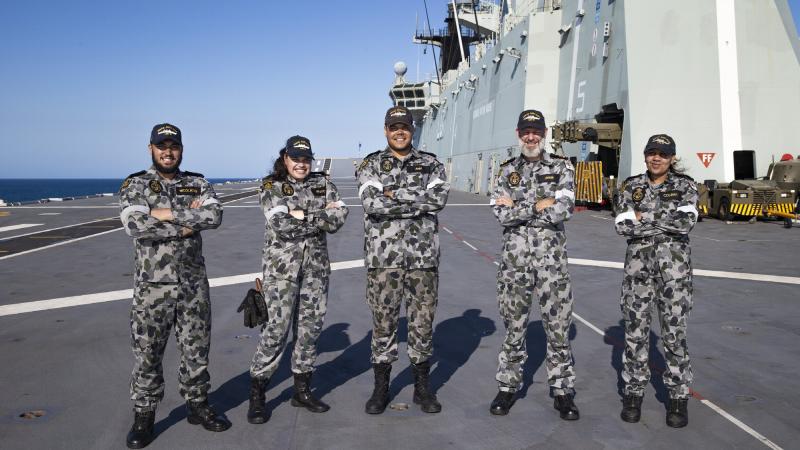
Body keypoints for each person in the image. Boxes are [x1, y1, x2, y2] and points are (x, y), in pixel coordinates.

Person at [119, 123, 229, 449]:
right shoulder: (136, 183)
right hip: (152, 287)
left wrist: (163, 213)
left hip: (193, 283)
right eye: (162, 145)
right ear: (151, 148)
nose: (168, 151)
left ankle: (197, 405)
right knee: (148, 354)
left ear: (181, 149)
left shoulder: (196, 182)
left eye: (174, 146)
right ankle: (144, 416)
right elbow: (136, 224)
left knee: (197, 350)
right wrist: (183, 225)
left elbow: (214, 215)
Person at [244, 135, 349, 424]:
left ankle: (301, 391)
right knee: (275, 333)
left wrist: (300, 214)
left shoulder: (323, 183)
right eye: (295, 158)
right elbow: (280, 224)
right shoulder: (270, 186)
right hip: (281, 274)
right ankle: (257, 395)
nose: (301, 164)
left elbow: (340, 217)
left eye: (305, 159)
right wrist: (319, 216)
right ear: (285, 159)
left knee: (309, 332)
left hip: (315, 272)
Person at [356, 105, 450, 414]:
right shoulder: (370, 165)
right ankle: (381, 388)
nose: (400, 131)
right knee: (383, 325)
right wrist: (416, 201)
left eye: (405, 126)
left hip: (423, 260)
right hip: (384, 261)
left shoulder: (431, 165)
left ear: (412, 130)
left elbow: (437, 201)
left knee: (422, 324)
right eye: (394, 126)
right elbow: (372, 205)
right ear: (385, 130)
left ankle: (422, 388)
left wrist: (393, 195)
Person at [489, 109, 580, 420]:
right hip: (514, 264)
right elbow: (500, 213)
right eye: (526, 131)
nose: (531, 137)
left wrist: (519, 206)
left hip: (551, 264)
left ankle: (563, 390)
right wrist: (539, 203)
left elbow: (564, 209)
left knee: (558, 328)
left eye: (536, 131)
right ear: (518, 134)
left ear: (544, 134)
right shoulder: (505, 171)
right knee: (513, 327)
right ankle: (508, 386)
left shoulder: (561, 167)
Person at [614, 134, 698, 428]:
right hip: (638, 274)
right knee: (635, 335)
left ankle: (677, 397)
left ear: (672, 158)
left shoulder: (685, 186)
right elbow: (622, 225)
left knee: (674, 336)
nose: (657, 157)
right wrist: (663, 218)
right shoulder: (631, 186)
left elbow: (686, 222)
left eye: (663, 153)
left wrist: (642, 218)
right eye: (652, 152)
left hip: (674, 276)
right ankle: (633, 394)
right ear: (645, 155)